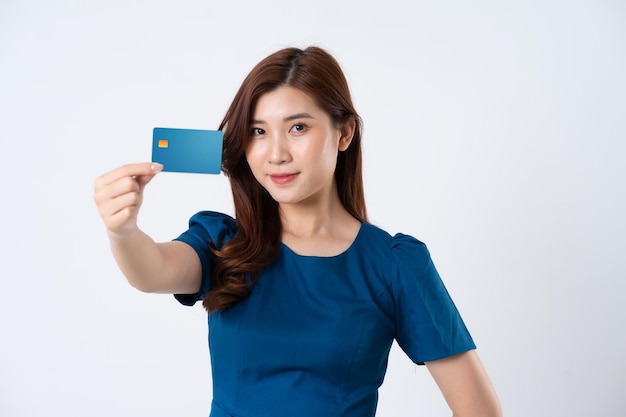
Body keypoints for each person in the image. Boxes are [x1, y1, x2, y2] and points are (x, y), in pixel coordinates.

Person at [94, 46, 502, 417]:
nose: (276, 154)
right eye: (258, 131)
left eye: (298, 128)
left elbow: (479, 408)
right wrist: (123, 232)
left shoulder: (393, 265)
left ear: (343, 133)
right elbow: (151, 272)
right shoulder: (223, 243)